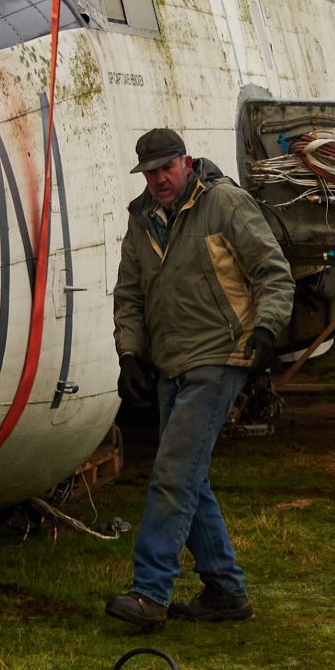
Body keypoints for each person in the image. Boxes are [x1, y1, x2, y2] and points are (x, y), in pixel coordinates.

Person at [106, 126, 293, 627]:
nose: (159, 180)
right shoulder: (142, 220)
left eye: (167, 168)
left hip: (219, 356)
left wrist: (266, 329)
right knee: (190, 476)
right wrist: (130, 354)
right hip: (170, 363)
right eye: (150, 172)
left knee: (172, 474)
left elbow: (273, 271)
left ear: (186, 163)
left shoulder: (224, 203)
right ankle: (225, 591)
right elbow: (129, 294)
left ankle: (150, 591)